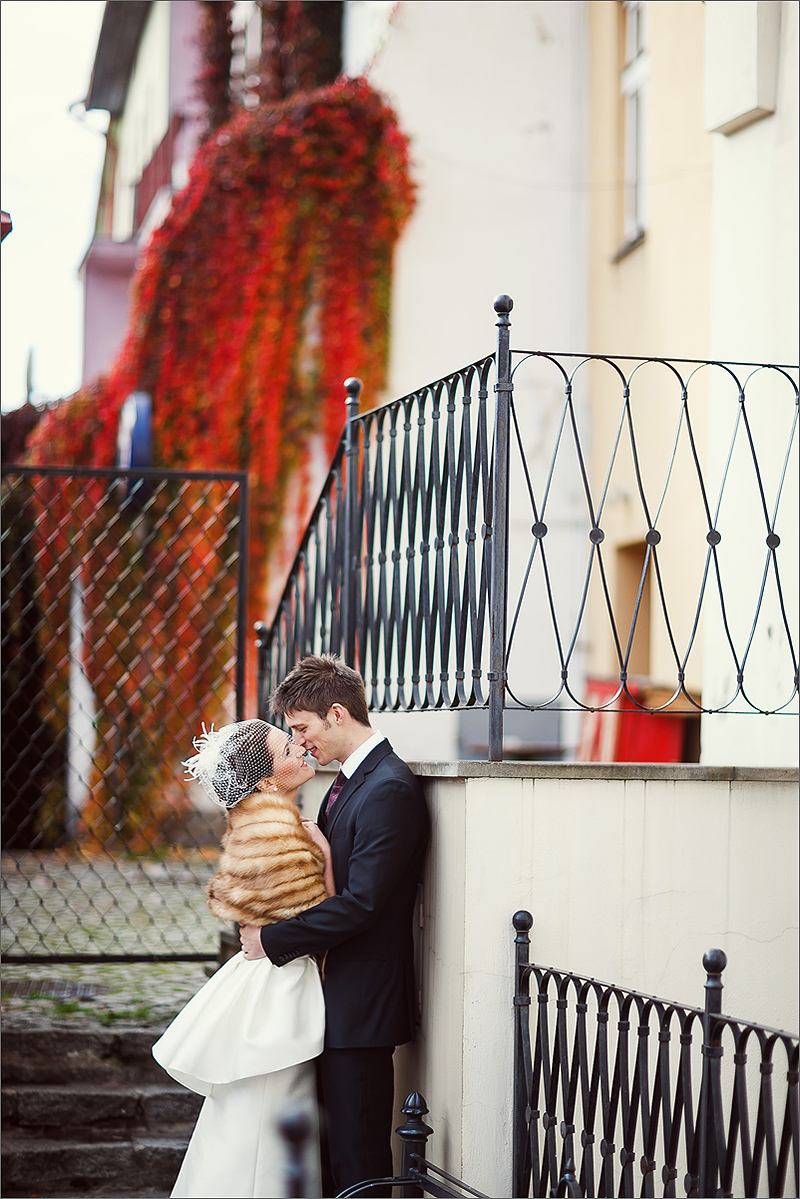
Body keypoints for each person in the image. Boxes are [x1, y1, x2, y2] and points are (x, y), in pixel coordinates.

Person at [239, 655, 430, 1197]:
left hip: (363, 1006)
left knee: (359, 1162)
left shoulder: (388, 788)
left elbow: (364, 904)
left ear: (337, 713)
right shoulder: (346, 783)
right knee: (331, 1163)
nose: (298, 743)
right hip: (333, 1001)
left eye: (302, 728)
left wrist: (271, 940)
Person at [152, 719, 334, 1198]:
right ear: (267, 782)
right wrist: (328, 855)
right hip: (278, 986)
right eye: (286, 745)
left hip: (269, 974)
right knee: (269, 1110)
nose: (300, 746)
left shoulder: (264, 823)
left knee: (253, 1113)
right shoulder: (277, 833)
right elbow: (328, 915)